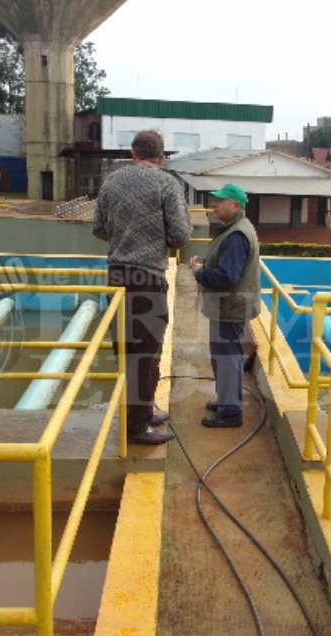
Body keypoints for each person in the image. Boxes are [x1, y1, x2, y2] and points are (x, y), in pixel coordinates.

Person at [92, 130, 193, 445]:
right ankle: (136, 428)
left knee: (127, 351)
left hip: (117, 277)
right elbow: (180, 236)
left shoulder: (111, 181)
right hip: (147, 279)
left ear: (133, 153)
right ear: (161, 157)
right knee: (146, 354)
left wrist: (126, 239)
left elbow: (99, 228)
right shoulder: (166, 183)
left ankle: (144, 412)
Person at [189, 183, 260, 428]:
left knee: (228, 358)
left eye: (220, 201)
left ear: (236, 205)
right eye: (214, 200)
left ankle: (230, 412)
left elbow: (228, 277)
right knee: (224, 357)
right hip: (228, 306)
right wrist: (207, 264)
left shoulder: (237, 235)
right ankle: (226, 401)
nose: (214, 205)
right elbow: (227, 267)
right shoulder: (235, 229)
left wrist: (199, 273)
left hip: (230, 306)